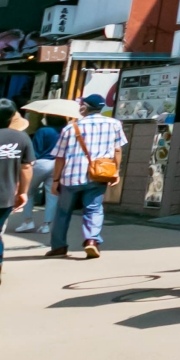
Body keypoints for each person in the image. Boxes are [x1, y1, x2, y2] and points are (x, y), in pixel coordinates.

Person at [48, 94, 126, 259]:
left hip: (71, 176)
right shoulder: (115, 124)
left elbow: (60, 157)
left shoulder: (70, 128)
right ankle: (92, 240)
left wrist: (55, 180)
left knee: (63, 212)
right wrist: (116, 171)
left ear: (84, 106)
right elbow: (117, 150)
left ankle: (59, 246)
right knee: (94, 208)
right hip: (98, 174)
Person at [0, 97, 36, 295]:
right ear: (11, 118)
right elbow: (26, 167)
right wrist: (23, 192)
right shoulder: (21, 138)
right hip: (3, 196)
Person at [12, 113, 64, 235]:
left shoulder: (43, 131)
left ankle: (28, 221)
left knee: (28, 192)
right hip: (57, 163)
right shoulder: (64, 130)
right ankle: (47, 225)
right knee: (52, 194)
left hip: (40, 163)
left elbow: (36, 149)